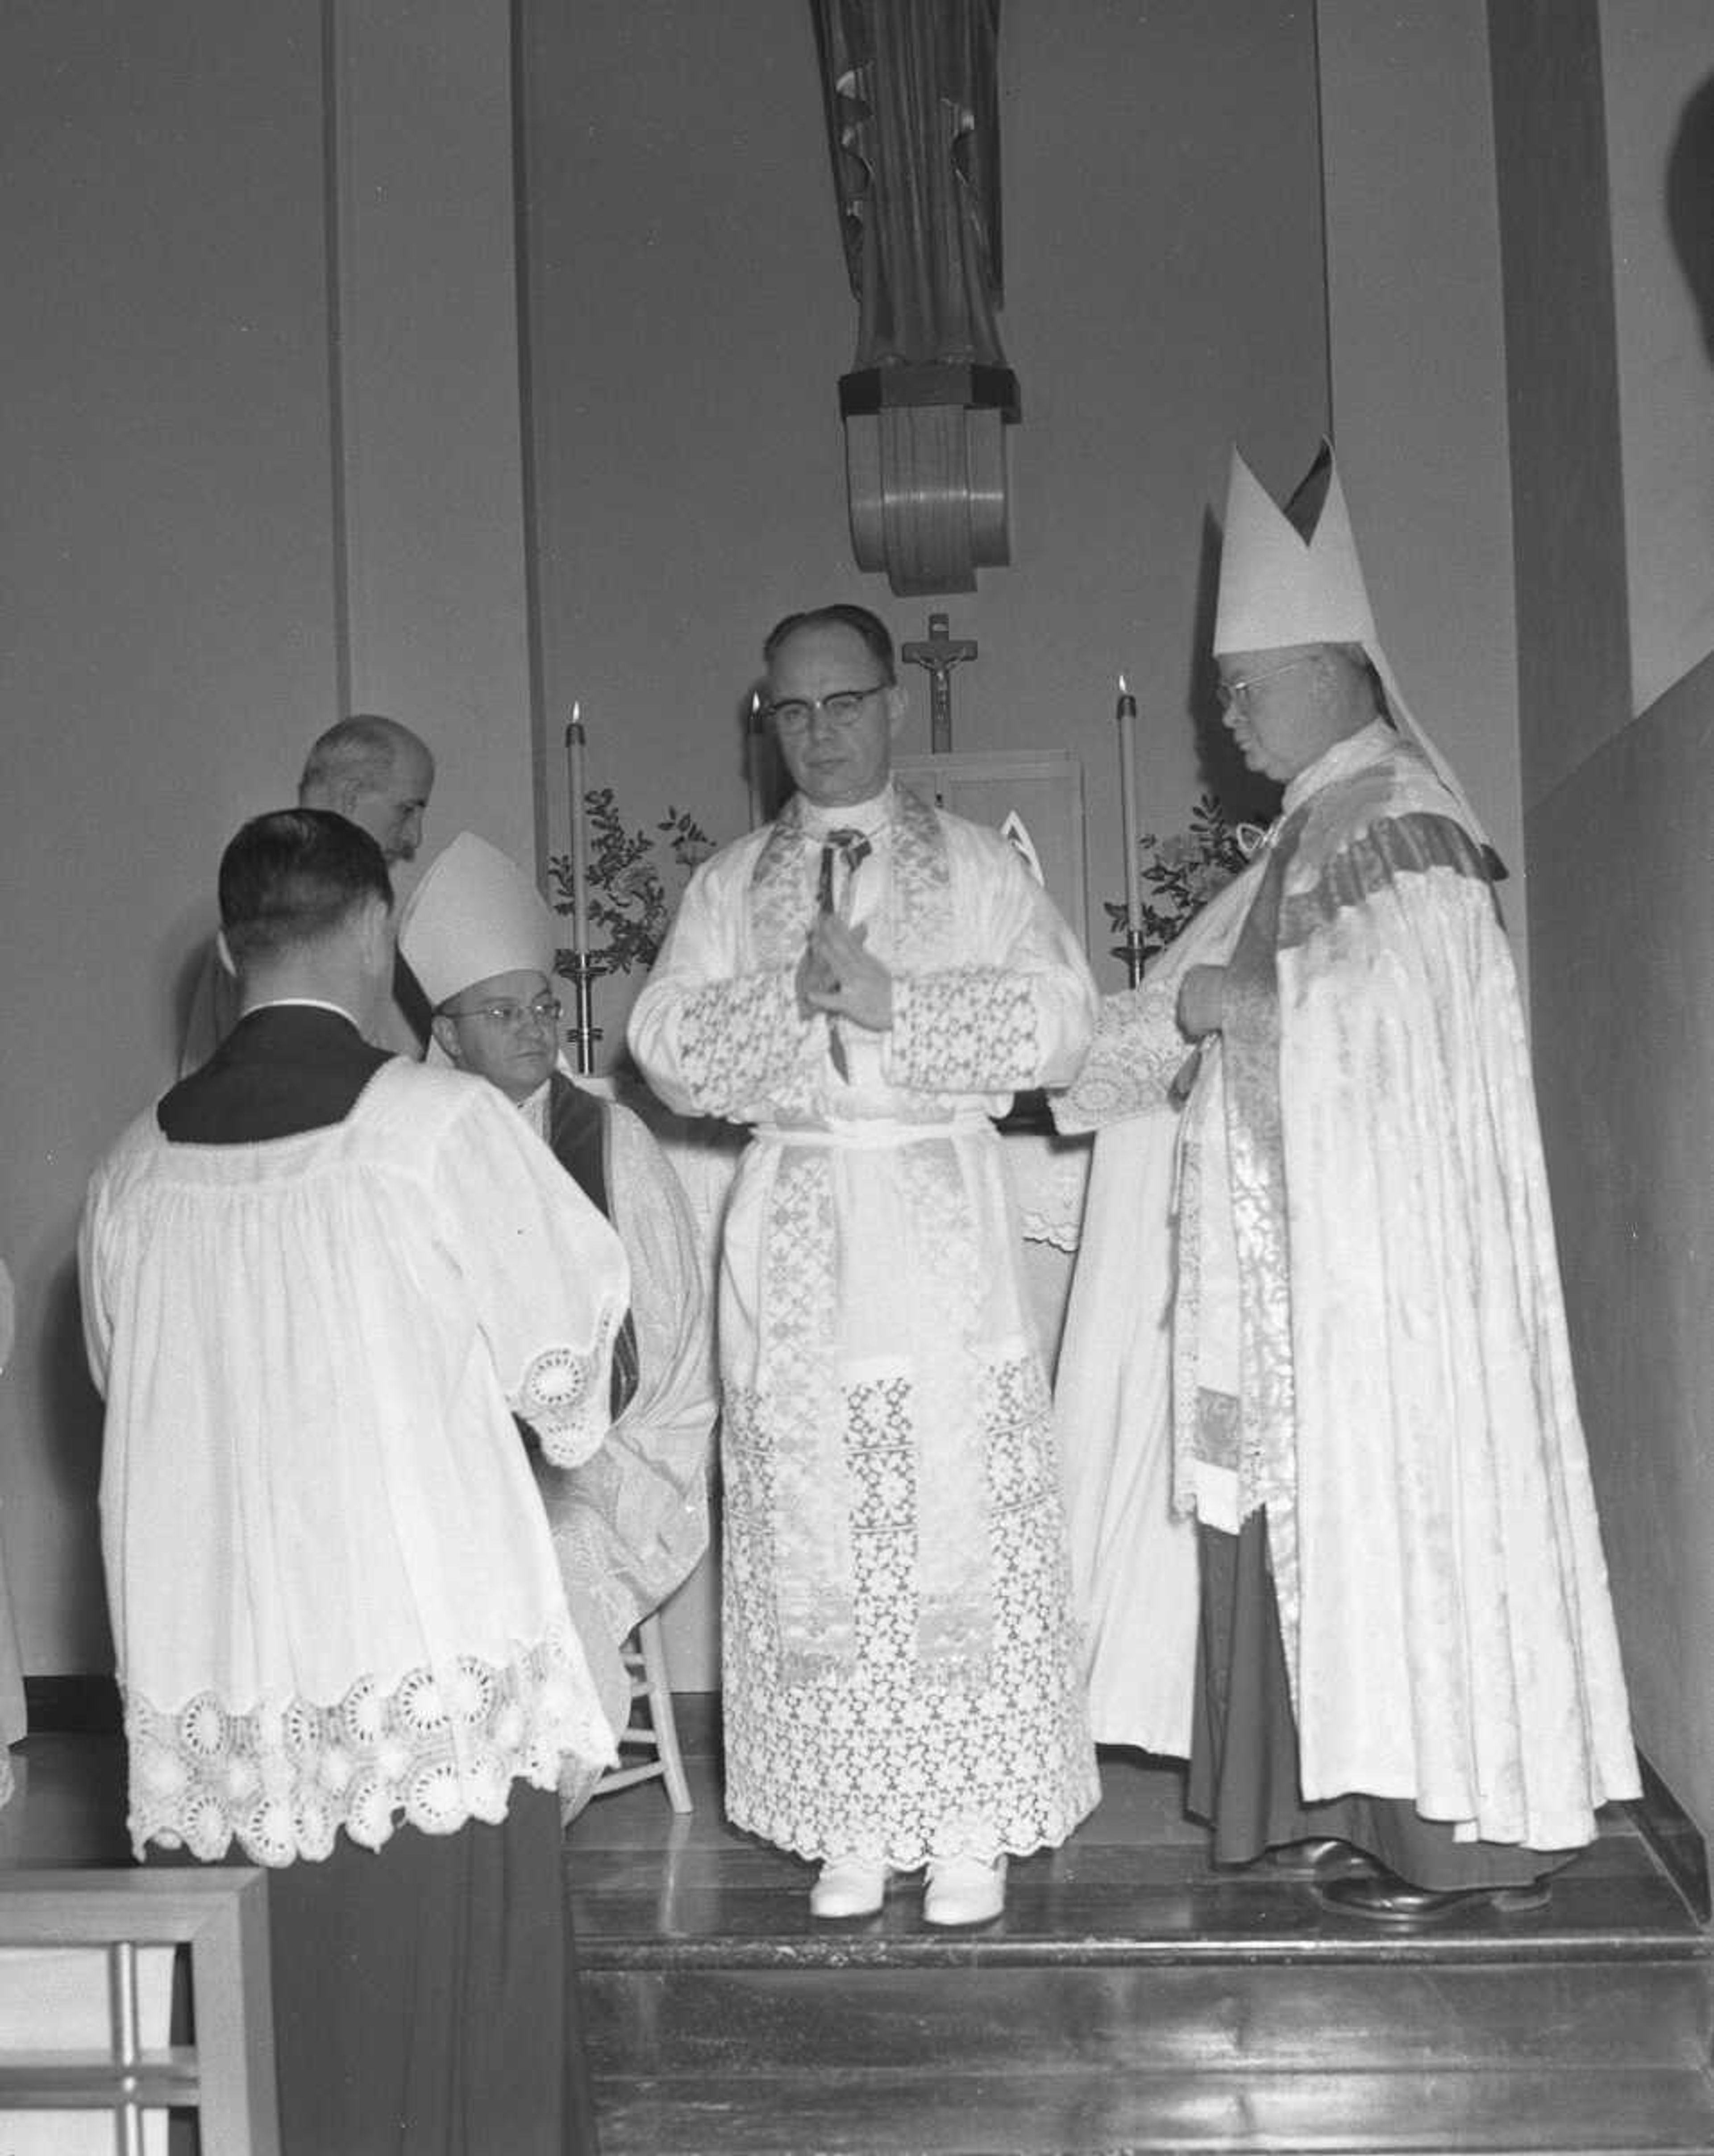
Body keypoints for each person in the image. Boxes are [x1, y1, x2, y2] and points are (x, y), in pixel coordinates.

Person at [1060, 445, 1639, 1923]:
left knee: (1399, 1524)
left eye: (1247, 683)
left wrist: (1234, 1019)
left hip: (1390, 1290)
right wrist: (1078, 1044)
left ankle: (1456, 1839)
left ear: (1326, 667)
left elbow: (1384, 1030)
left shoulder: (1396, 822)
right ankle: (1360, 1810)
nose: (1228, 711)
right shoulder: (1314, 828)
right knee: (1313, 1531)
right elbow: (1156, 1017)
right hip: (1309, 1280)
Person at [81, 808, 630, 2153]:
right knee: (452, 2052)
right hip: (413, 1670)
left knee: (275, 2052)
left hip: (225, 1687)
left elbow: (121, 1392)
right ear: (384, 933)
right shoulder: (441, 1129)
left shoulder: (128, 1169)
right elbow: (572, 1385)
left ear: (226, 949)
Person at [628, 601, 1099, 1927]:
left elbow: (1063, 1020)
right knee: (819, 1513)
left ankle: (964, 1818)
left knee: (949, 1502)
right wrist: (796, 1004)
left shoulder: (975, 865)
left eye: (843, 703)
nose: (820, 732)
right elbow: (661, 1033)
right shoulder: (729, 885)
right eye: (793, 709)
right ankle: (852, 1809)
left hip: (935, 1206)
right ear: (762, 720)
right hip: (796, 1217)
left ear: (892, 704)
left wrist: (896, 1004)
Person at [399, 829, 716, 1814]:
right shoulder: (409, 1141)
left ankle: (534, 1813)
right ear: (448, 1035)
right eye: (503, 1014)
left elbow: (659, 1333)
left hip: (614, 1445)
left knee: (550, 1549)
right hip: (453, 1444)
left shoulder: (606, 1138)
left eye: (543, 1007)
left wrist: (545, 1430)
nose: (538, 1031)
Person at [178, 713, 437, 1072]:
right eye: (406, 810)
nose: (414, 839)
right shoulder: (272, 914)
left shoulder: (358, 910)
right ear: (350, 797)